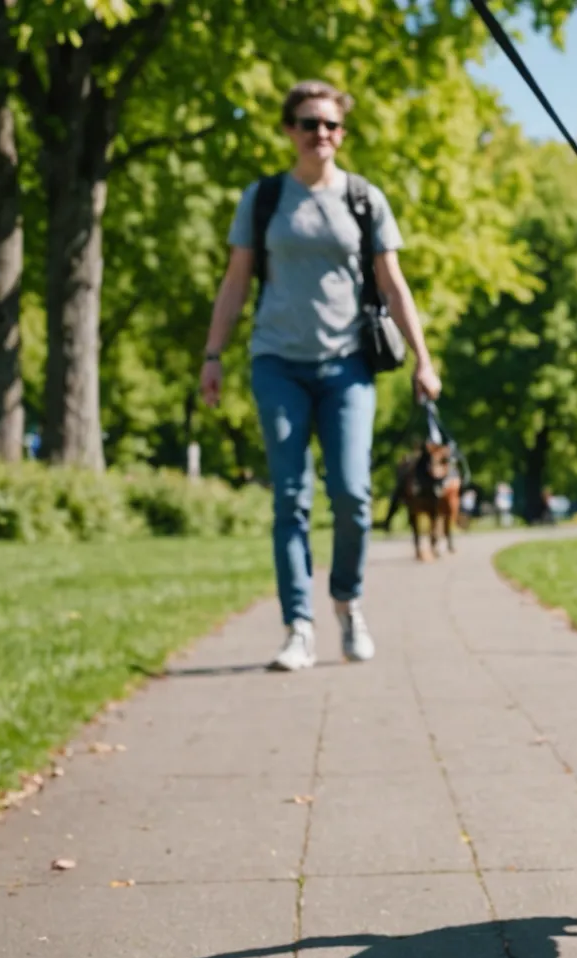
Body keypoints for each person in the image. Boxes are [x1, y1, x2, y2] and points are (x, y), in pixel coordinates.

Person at [200, 80, 441, 672]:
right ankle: (298, 626)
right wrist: (213, 355)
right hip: (277, 361)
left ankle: (348, 602)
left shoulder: (363, 199)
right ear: (289, 130)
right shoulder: (262, 199)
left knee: (354, 494)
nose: (322, 135)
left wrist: (424, 356)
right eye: (310, 123)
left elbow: (392, 283)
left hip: (348, 366)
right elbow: (235, 282)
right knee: (290, 497)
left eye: (332, 125)